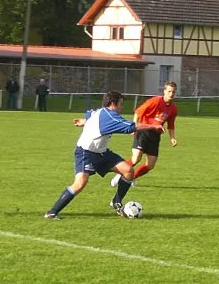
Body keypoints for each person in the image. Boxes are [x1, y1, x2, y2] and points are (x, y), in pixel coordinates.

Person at [44, 91, 164, 219]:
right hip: (85, 152)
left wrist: (84, 121)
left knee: (128, 171)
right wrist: (153, 126)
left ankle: (116, 202)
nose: (122, 107)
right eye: (121, 104)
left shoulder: (100, 112)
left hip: (101, 152)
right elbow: (131, 127)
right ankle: (52, 212)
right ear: (113, 103)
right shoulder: (111, 117)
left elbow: (90, 115)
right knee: (80, 183)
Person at [110, 81, 178, 187]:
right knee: (136, 158)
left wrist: (172, 138)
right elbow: (138, 111)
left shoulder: (173, 108)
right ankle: (120, 174)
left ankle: (131, 178)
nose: (171, 94)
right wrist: (133, 127)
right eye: (169, 91)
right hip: (143, 131)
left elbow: (171, 125)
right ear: (164, 91)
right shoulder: (155, 101)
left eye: (173, 92)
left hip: (155, 136)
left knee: (150, 165)